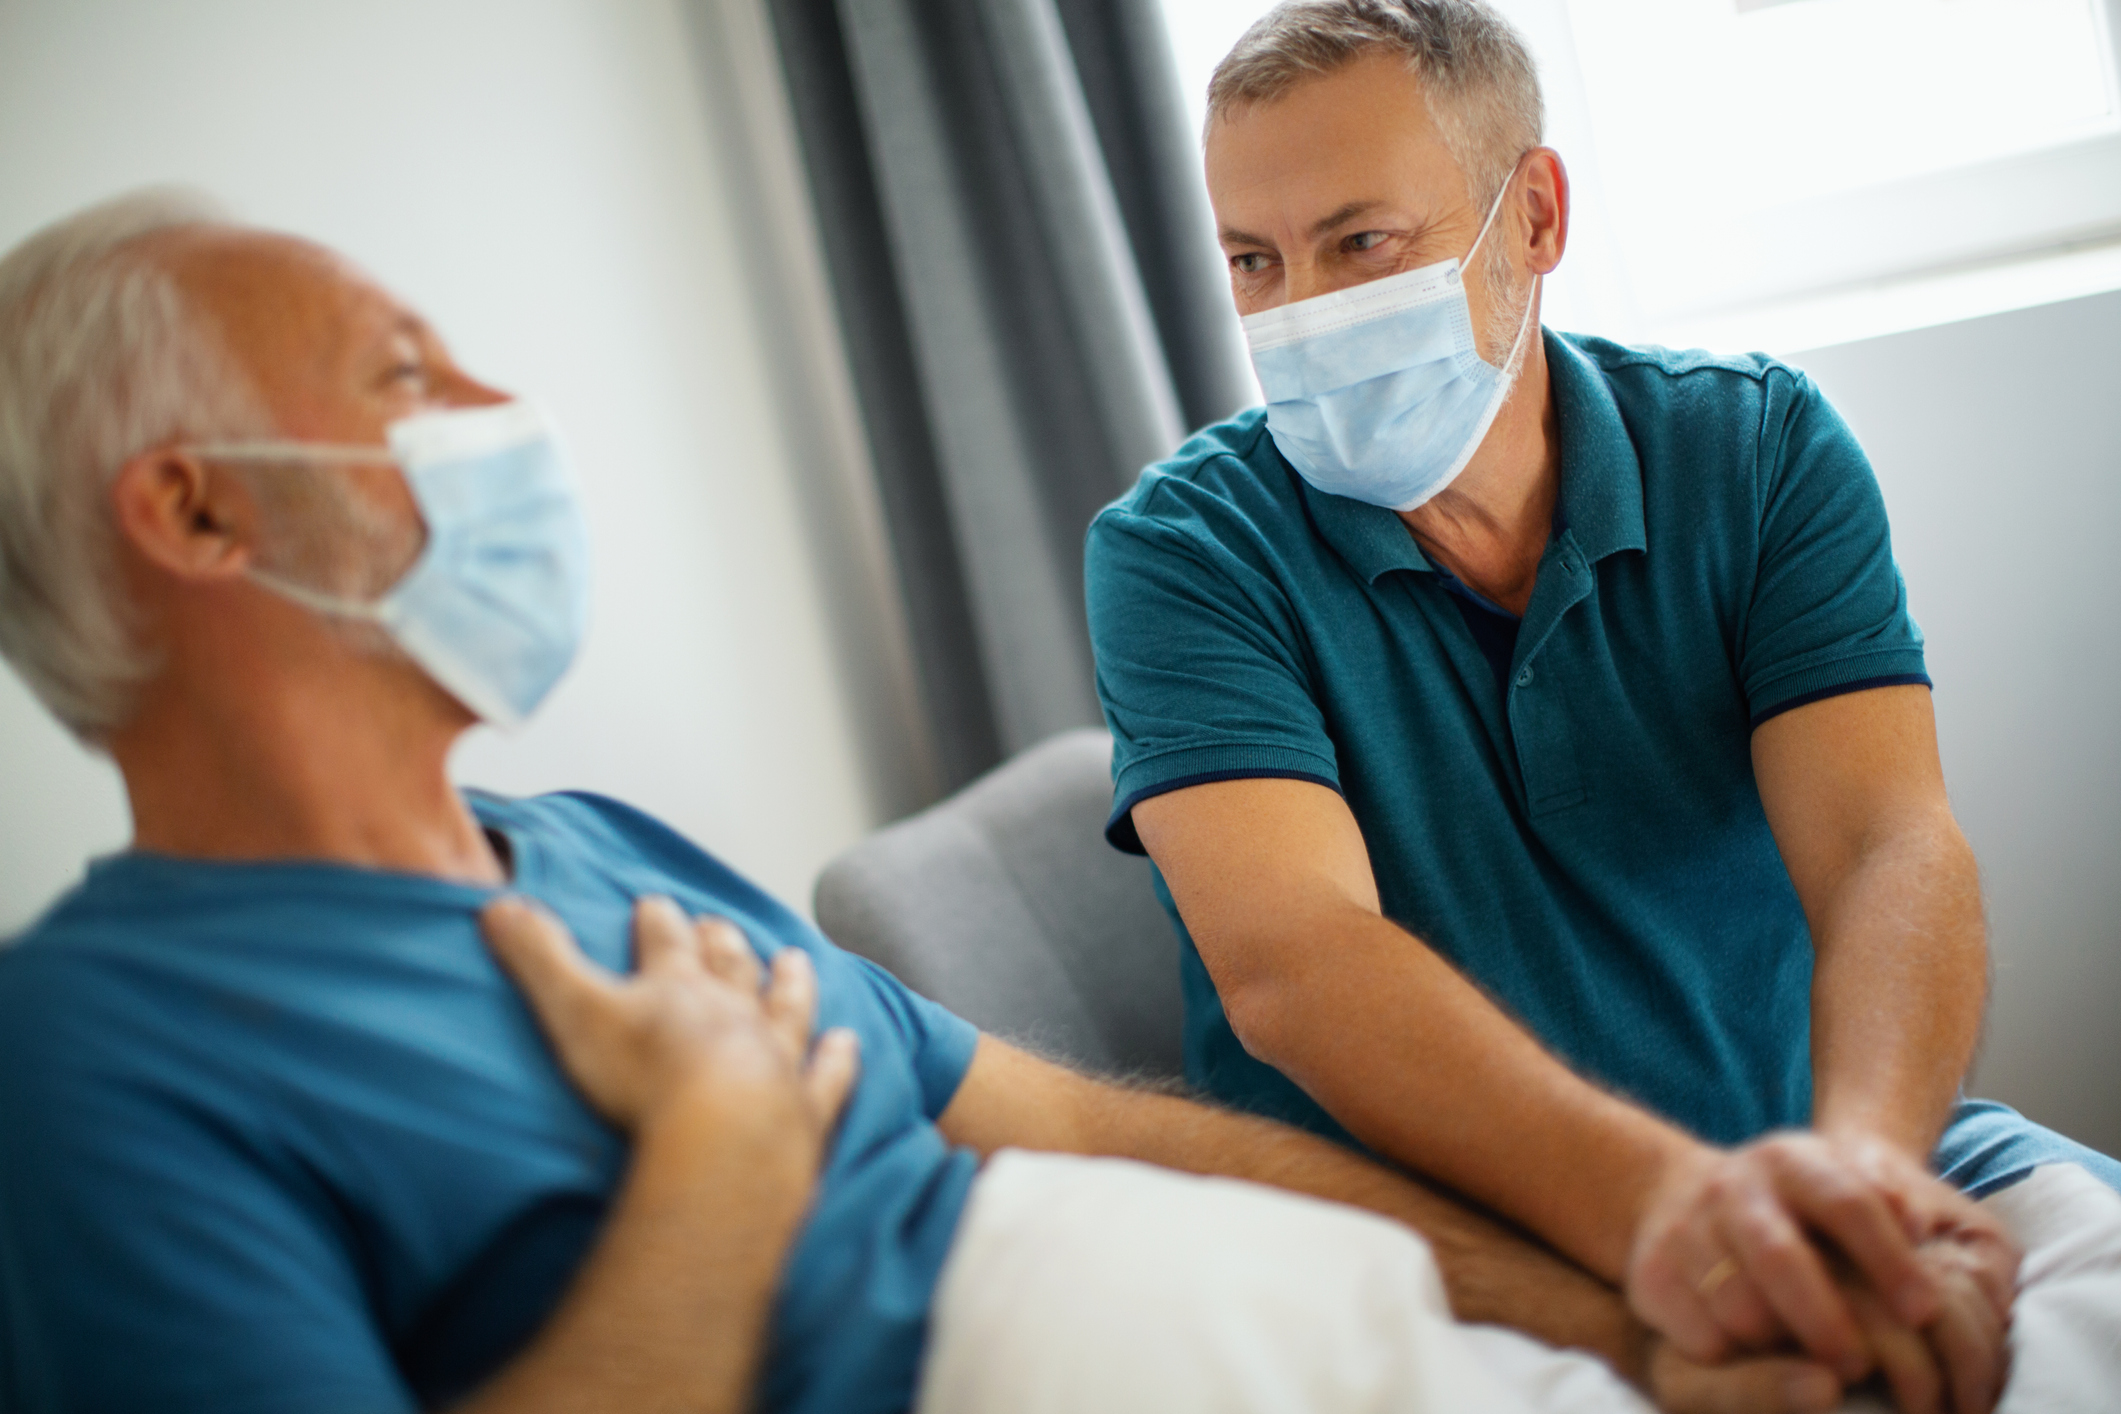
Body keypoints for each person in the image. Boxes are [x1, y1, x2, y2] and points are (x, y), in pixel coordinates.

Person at [0, 190, 1899, 1414]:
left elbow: (1083, 1123)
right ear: (194, 512)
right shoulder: (96, 1056)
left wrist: (1612, 1321)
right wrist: (720, 1165)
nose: (498, 403)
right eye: (407, 373)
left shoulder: (587, 850)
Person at [1084, 3, 2121, 1412]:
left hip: (1810, 1152)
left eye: (1361, 243)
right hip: (1437, 1249)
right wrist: (1673, 1212)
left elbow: (1890, 843)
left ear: (1532, 217)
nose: (1302, 314)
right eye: (1253, 263)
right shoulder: (1181, 553)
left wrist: (1861, 1172)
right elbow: (1294, 965)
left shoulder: (1752, 449)